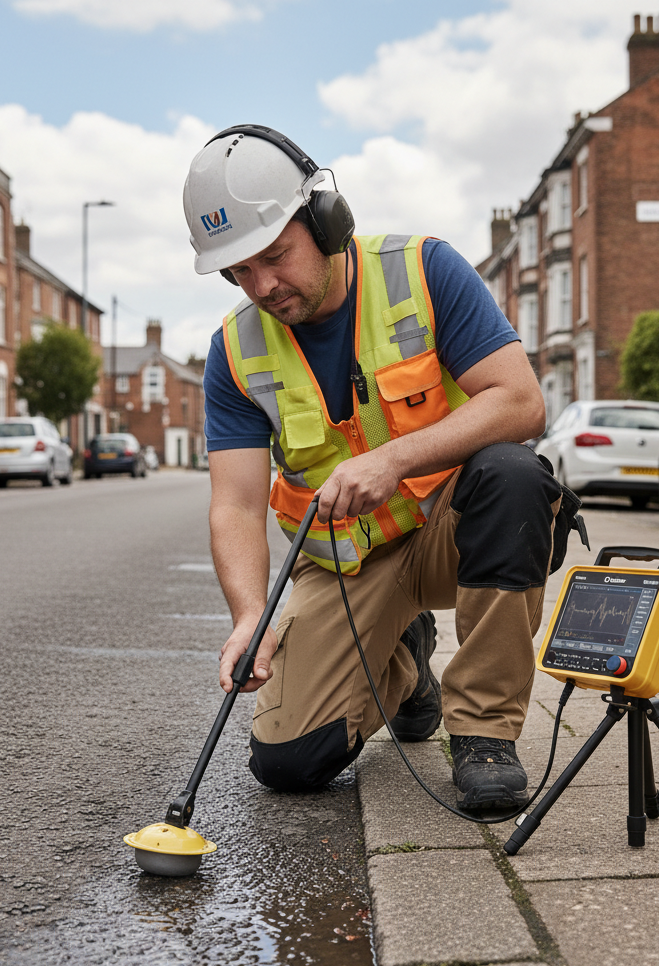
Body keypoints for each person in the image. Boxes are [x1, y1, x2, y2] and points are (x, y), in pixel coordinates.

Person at [183, 124, 567, 813]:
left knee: (516, 474)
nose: (262, 286)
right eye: (238, 271)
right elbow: (235, 504)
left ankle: (482, 731)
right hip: (348, 565)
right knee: (290, 763)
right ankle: (407, 665)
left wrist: (393, 459)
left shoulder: (425, 271)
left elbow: (520, 401)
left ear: (326, 221)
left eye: (275, 256)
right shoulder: (234, 353)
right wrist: (248, 616)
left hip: (453, 533)